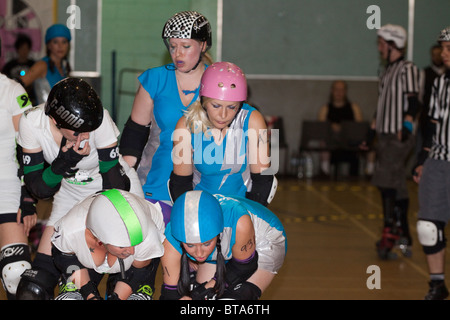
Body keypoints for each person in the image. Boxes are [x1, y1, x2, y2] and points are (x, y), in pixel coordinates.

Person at [15, 77, 144, 300]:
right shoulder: (32, 123)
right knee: (32, 289)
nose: (86, 137)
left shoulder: (100, 120)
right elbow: (38, 188)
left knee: (115, 278)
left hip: (112, 190)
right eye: (78, 132)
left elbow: (114, 186)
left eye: (89, 130)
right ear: (55, 120)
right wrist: (64, 162)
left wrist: (94, 231)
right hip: (70, 193)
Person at [119, 11, 213, 225]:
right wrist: (122, 179)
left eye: (186, 46)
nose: (177, 53)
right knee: (146, 256)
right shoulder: (155, 79)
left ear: (204, 45)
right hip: (157, 181)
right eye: (173, 46)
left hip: (204, 183)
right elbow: (134, 138)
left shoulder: (217, 81)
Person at [169, 61, 277, 206]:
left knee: (242, 225)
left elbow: (264, 181)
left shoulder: (254, 120)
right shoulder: (185, 126)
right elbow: (180, 184)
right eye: (216, 105)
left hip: (243, 206)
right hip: (200, 208)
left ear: (240, 105)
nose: (223, 115)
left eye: (232, 107)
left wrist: (250, 215)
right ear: (204, 101)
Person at [160, 190, 286, 300]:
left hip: (263, 239)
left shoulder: (239, 222)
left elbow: (244, 266)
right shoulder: (171, 237)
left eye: (206, 244)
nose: (199, 253)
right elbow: (170, 293)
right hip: (222, 243)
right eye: (190, 245)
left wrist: (204, 289)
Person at [47, 189, 165, 300]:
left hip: (138, 256)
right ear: (100, 239)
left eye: (134, 244)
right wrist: (90, 294)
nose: (131, 251)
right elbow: (66, 259)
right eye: (122, 246)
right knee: (71, 297)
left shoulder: (147, 236)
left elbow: (139, 271)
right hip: (88, 239)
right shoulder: (71, 229)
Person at [364, 24, 420, 260]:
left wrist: (406, 127)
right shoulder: (387, 70)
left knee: (385, 180)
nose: (379, 47)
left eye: (382, 43)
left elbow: (414, 102)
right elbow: (382, 106)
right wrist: (370, 133)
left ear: (393, 44)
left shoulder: (408, 69)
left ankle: (390, 230)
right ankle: (404, 232)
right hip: (385, 133)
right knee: (396, 183)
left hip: (398, 135)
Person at [412, 26, 450, 300]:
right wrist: (423, 159)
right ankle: (437, 285)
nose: (443, 53)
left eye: (449, 49)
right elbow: (434, 124)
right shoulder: (440, 82)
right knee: (428, 226)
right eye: (443, 48)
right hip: (439, 159)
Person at [0, 70, 35, 300]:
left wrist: (28, 197)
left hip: (6, 185)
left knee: (17, 276)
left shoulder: (12, 91)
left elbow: (29, 146)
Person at [317, 80, 365, 177]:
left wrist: (344, 128)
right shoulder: (325, 109)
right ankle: (325, 171)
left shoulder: (354, 107)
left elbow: (360, 127)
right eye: (336, 89)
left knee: (369, 141)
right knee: (323, 142)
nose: (339, 92)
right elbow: (321, 128)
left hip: (350, 142)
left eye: (342, 90)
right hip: (332, 142)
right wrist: (332, 127)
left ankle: (370, 172)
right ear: (332, 91)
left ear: (345, 91)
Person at [19, 24, 71, 105]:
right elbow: (16, 85)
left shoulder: (63, 68)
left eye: (64, 42)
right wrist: (24, 107)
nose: (60, 46)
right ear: (49, 45)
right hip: (41, 116)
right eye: (55, 42)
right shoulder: (42, 65)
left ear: (68, 45)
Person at [1, 33, 36, 104]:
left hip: (31, 99)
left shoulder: (34, 65)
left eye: (26, 48)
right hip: (13, 99)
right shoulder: (9, 65)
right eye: (22, 48)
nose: (24, 51)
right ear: (17, 49)